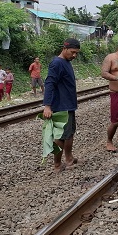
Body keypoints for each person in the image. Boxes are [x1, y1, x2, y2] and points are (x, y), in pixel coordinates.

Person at [43, 38, 80, 172]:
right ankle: (57, 164)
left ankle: (69, 158)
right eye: (73, 52)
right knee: (60, 137)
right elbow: (50, 83)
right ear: (64, 49)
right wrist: (47, 105)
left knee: (69, 134)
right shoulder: (57, 63)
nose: (74, 55)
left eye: (77, 53)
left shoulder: (66, 61)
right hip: (61, 105)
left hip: (68, 104)